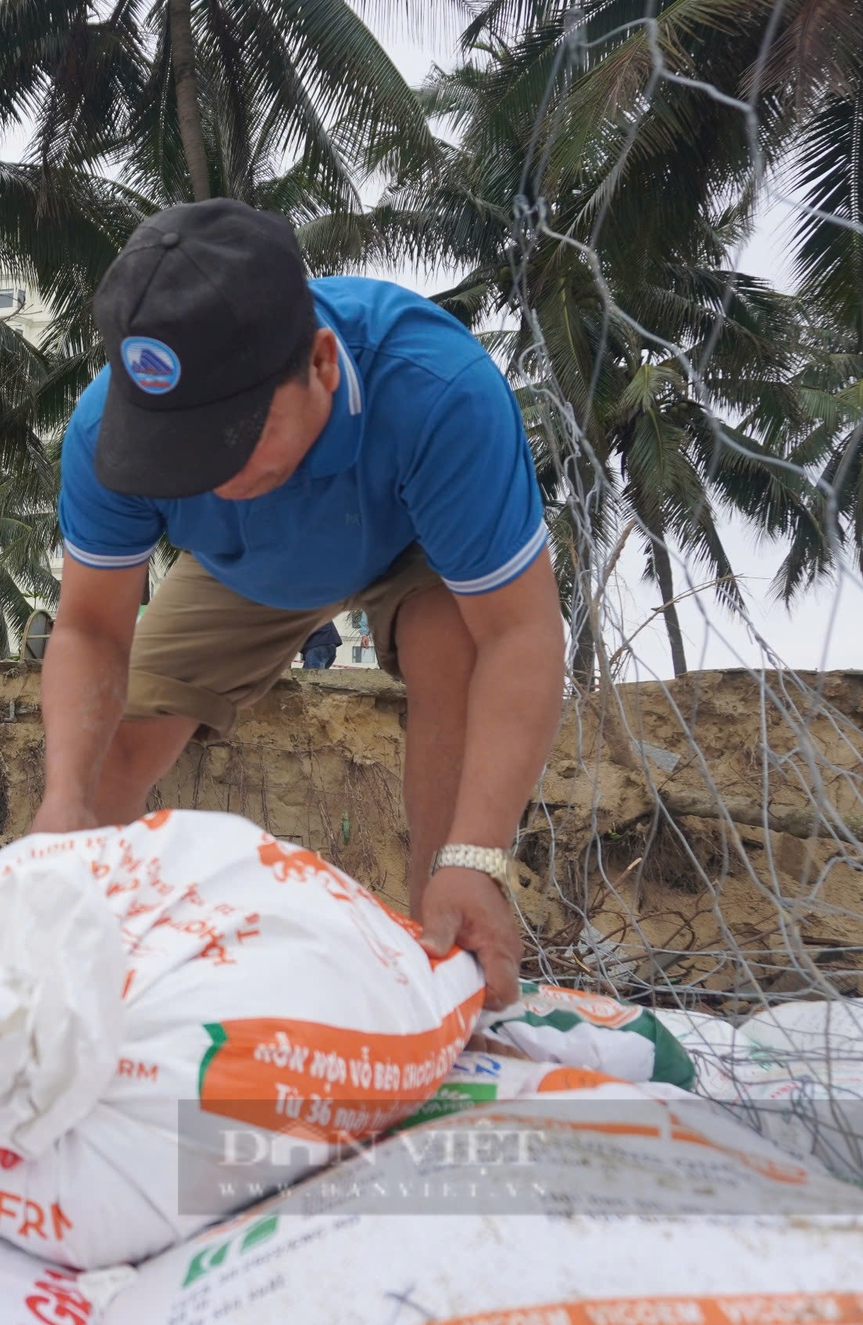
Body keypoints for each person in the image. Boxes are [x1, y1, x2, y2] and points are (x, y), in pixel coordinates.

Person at [33, 200, 565, 1006]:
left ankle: (443, 953)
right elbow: (91, 629)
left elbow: (519, 633)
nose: (210, 479)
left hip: (409, 540)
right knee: (107, 748)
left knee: (450, 650)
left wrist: (479, 854)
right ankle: (77, 979)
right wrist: (64, 798)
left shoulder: (436, 392)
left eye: (231, 440)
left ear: (321, 363)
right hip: (246, 568)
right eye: (179, 453)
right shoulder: (104, 431)